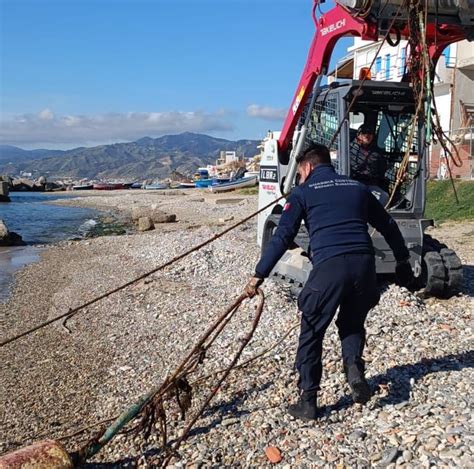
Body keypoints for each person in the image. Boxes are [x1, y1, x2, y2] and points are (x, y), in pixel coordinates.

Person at [244, 143, 414, 421]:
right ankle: (354, 370)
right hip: (364, 267)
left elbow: (283, 236)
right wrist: (403, 262)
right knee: (352, 322)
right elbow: (389, 225)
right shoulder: (358, 188)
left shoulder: (303, 192)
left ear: (308, 167)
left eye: (299, 173)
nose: (299, 178)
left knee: (311, 330)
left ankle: (308, 401)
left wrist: (259, 274)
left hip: (330, 268)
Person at [350, 125, 389, 206]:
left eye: (370, 133)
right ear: (358, 135)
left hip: (371, 184)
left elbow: (382, 169)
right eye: (364, 133)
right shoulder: (350, 149)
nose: (367, 135)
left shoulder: (376, 152)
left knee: (384, 197)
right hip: (354, 183)